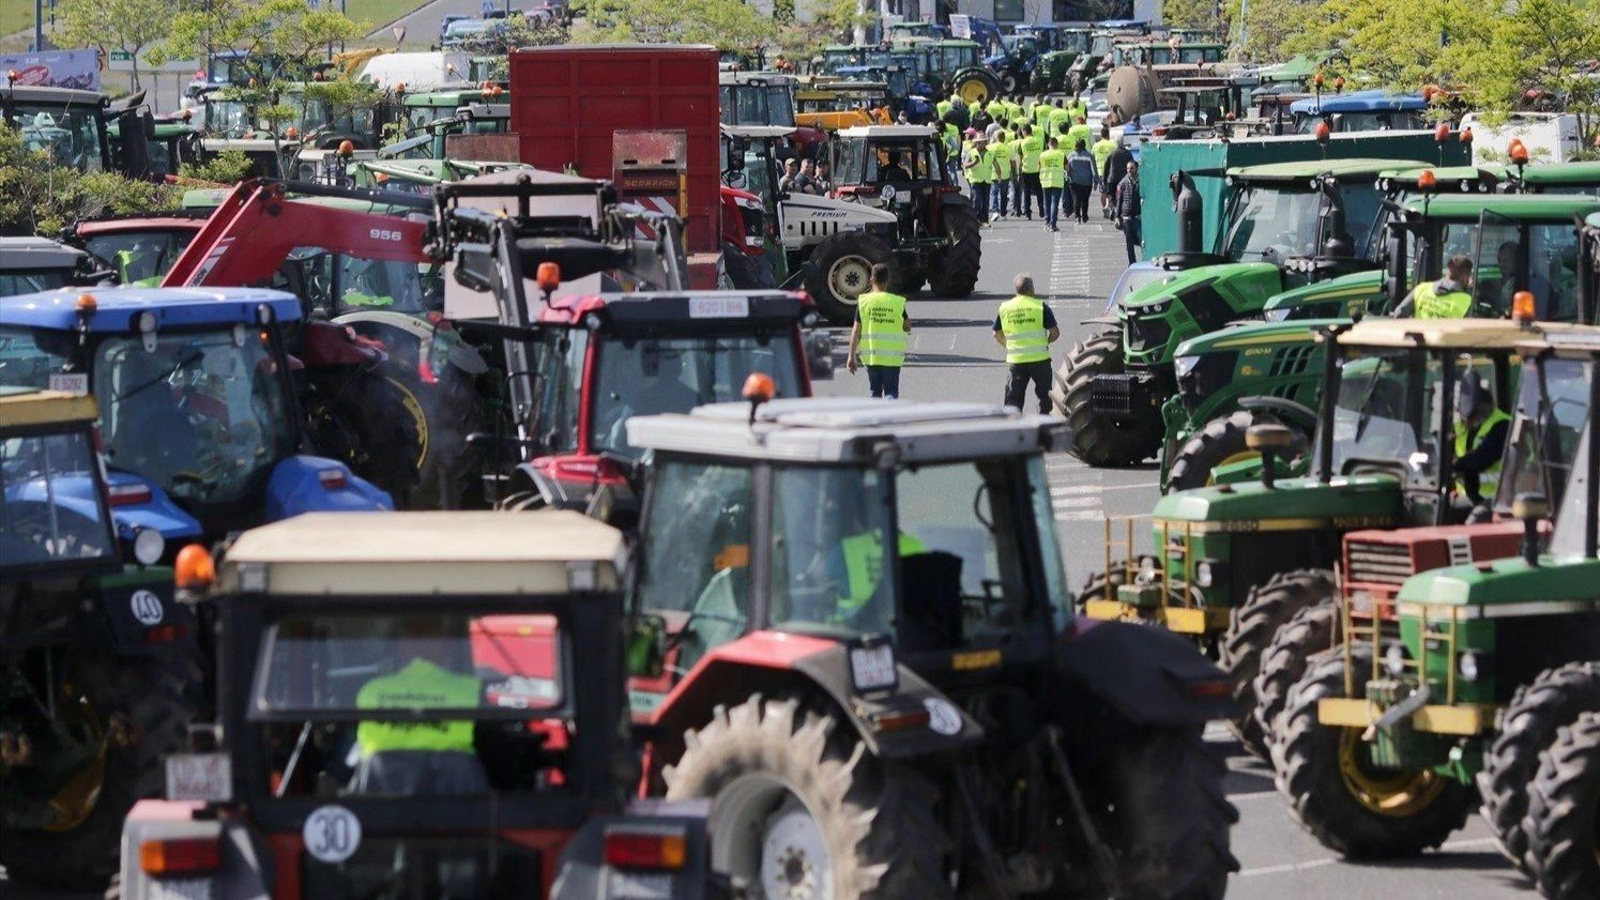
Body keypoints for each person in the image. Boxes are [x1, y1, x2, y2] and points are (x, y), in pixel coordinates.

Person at [351, 617, 489, 795]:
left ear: (400, 648)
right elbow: (493, 754)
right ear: (447, 648)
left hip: (382, 811)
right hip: (457, 809)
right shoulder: (470, 690)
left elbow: (349, 758)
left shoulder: (370, 691)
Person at [993, 274, 1060, 413]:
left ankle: (1014, 429)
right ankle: (1043, 426)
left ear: (1016, 290)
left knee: (1013, 402)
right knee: (1045, 399)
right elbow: (1055, 333)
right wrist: (1046, 342)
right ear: (1031, 289)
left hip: (1016, 362)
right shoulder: (1041, 307)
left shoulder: (1005, 308)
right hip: (1040, 361)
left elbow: (996, 333)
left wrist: (1008, 345)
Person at [847, 264, 912, 399]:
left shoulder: (864, 302)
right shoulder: (896, 302)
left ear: (872, 280)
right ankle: (890, 416)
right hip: (892, 357)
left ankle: (876, 418)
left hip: (872, 357)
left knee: (874, 393)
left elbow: (856, 331)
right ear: (887, 281)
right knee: (891, 392)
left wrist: (851, 357)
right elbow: (907, 325)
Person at [1453, 369, 1511, 505]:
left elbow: (1480, 459)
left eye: (1470, 416)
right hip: (1466, 499)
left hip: (1496, 501)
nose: (1465, 420)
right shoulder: (1461, 427)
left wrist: (1454, 464)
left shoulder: (1502, 425)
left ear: (1482, 410)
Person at [1394, 255, 1474, 318]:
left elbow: (1398, 314)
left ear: (1447, 273)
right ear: (1465, 278)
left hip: (1421, 338)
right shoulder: (1466, 301)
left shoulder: (1421, 288)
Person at [1114, 160, 1142, 264]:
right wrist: (1117, 217)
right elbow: (1119, 201)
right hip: (1126, 218)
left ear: (1137, 168)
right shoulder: (1123, 183)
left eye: (1131, 168)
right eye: (1128, 169)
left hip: (1138, 217)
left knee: (1142, 242)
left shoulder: (1142, 182)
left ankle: (1145, 263)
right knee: (1129, 244)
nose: (1129, 171)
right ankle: (1132, 264)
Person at [1066, 139, 1097, 225]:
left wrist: (1068, 178)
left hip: (1074, 182)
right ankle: (1085, 216)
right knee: (1085, 200)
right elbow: (1093, 170)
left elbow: (1067, 169)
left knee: (1076, 199)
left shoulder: (1071, 155)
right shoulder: (1089, 156)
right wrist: (1096, 181)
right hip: (1087, 183)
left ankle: (1077, 217)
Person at [1038, 138, 1066, 232]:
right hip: (1057, 181)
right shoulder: (1061, 154)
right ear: (1056, 145)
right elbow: (1067, 166)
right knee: (1055, 203)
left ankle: (1047, 223)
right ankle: (1053, 224)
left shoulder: (1042, 154)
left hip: (1045, 181)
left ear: (1048, 144)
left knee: (1047, 203)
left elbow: (1038, 166)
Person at [1104, 138, 1133, 220]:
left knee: (1112, 197)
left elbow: (1106, 168)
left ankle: (1113, 208)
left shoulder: (1112, 154)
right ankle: (1118, 212)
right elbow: (1132, 165)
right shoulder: (1128, 154)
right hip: (1123, 179)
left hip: (1112, 179)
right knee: (1122, 197)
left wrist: (1105, 180)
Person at [1018, 124, 1043, 220]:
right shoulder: (1040, 140)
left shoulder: (1023, 142)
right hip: (1038, 169)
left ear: (1024, 132)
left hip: (1026, 170)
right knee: (1039, 191)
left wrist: (1019, 170)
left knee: (1027, 193)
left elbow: (1020, 156)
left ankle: (1028, 212)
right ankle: (1042, 210)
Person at [965, 135, 993, 221]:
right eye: (979, 143)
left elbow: (995, 164)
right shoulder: (971, 152)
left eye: (982, 143)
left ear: (985, 143)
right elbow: (965, 165)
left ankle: (984, 219)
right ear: (976, 143)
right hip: (975, 179)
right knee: (977, 199)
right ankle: (976, 218)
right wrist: (974, 163)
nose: (980, 144)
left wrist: (999, 175)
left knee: (986, 201)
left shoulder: (990, 153)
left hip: (986, 179)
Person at [1092, 126, 1118, 217]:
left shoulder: (1096, 145)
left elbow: (1092, 158)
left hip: (1100, 172)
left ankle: (1105, 207)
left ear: (1101, 135)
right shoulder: (1113, 145)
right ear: (1108, 135)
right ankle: (1108, 206)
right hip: (1111, 171)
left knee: (1103, 192)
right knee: (1110, 191)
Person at [990, 128, 1013, 221]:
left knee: (994, 193)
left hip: (993, 173)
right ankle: (1003, 214)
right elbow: (1012, 161)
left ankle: (995, 211)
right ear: (1004, 138)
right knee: (1004, 195)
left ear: (996, 138)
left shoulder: (990, 147)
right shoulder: (1008, 148)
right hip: (1005, 173)